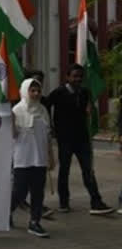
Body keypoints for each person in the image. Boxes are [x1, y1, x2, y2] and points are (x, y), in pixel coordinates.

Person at [48, 64, 114, 214]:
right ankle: (63, 203)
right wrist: (51, 127)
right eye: (75, 76)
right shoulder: (58, 92)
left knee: (88, 170)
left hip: (82, 138)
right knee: (64, 171)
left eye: (80, 76)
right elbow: (45, 106)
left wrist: (88, 111)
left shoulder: (85, 92)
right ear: (67, 77)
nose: (78, 79)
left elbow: (86, 110)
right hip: (65, 139)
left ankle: (96, 202)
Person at [10, 78, 54, 238]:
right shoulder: (16, 110)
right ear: (24, 91)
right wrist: (10, 121)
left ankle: (35, 222)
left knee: (38, 193)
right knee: (19, 192)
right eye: (32, 90)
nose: (36, 94)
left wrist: (51, 156)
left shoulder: (43, 110)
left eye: (38, 91)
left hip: (40, 159)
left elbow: (48, 135)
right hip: (22, 159)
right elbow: (13, 135)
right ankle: (7, 212)